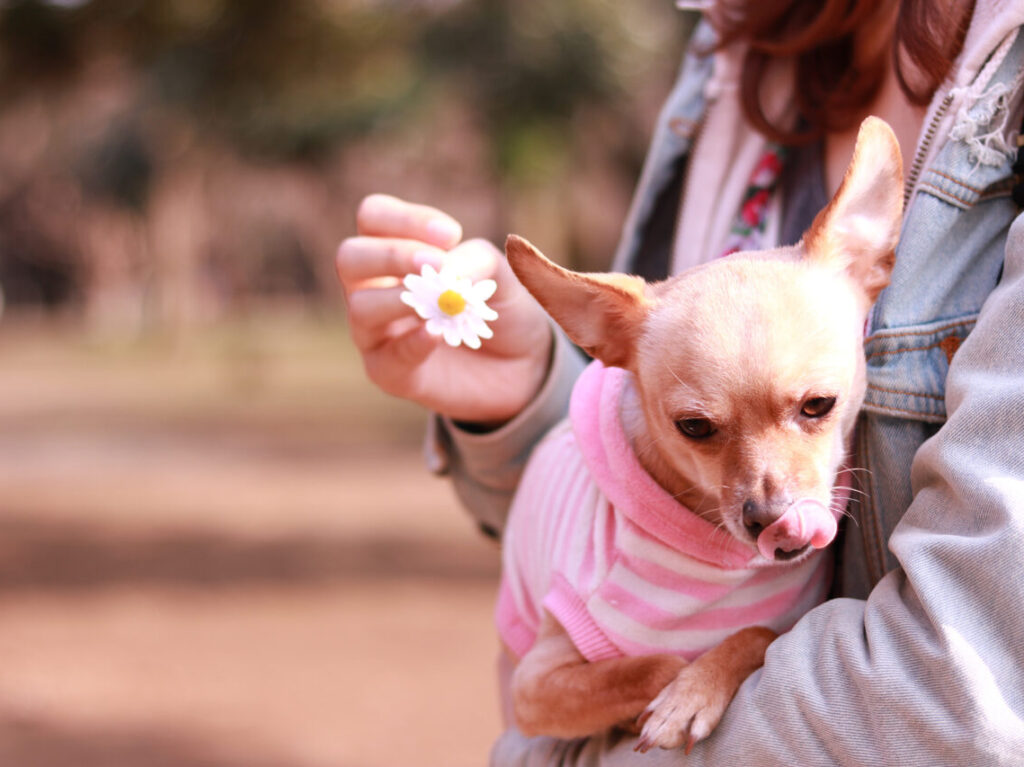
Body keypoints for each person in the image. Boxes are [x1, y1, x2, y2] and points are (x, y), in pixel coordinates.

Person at [336, 0, 1024, 763]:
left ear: (870, 255)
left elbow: (961, 694)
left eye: (815, 408)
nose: (767, 493)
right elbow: (615, 504)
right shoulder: (723, 57)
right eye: (704, 427)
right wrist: (525, 396)